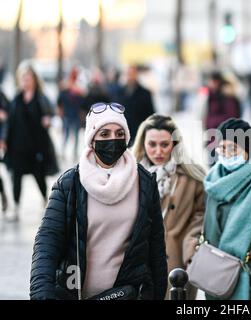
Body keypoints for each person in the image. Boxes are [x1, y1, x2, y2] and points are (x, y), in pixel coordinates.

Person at [30, 102, 167, 300]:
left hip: (129, 294)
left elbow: (156, 249)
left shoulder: (144, 183)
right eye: (104, 134)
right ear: (92, 139)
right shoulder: (70, 184)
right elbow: (47, 244)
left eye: (119, 134)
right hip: (75, 294)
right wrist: (41, 295)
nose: (113, 139)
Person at [202, 118, 251, 300]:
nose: (226, 154)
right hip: (216, 276)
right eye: (222, 148)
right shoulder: (214, 180)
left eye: (233, 148)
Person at [132, 114, 205, 299]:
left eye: (164, 144)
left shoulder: (193, 177)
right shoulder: (130, 176)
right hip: (139, 262)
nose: (158, 151)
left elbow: (202, 214)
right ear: (143, 144)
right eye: (152, 144)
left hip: (178, 262)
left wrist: (191, 243)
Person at [4, 62, 59, 221]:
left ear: (35, 80)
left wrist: (49, 120)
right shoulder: (16, 99)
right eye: (23, 78)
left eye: (28, 78)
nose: (25, 81)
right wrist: (4, 140)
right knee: (16, 177)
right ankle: (16, 207)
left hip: (37, 146)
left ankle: (45, 201)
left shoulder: (41, 99)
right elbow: (9, 122)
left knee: (39, 176)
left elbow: (54, 117)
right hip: (17, 146)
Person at [117, 65, 155, 145]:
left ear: (136, 74)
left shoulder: (145, 93)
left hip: (139, 133)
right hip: (124, 134)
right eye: (128, 74)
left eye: (132, 73)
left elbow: (151, 114)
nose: (130, 76)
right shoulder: (120, 92)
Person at [57, 66, 85, 160]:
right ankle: (63, 152)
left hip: (75, 115)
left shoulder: (78, 88)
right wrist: (60, 110)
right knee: (66, 134)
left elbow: (82, 102)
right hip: (67, 114)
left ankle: (74, 153)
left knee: (76, 136)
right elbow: (60, 100)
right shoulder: (66, 86)